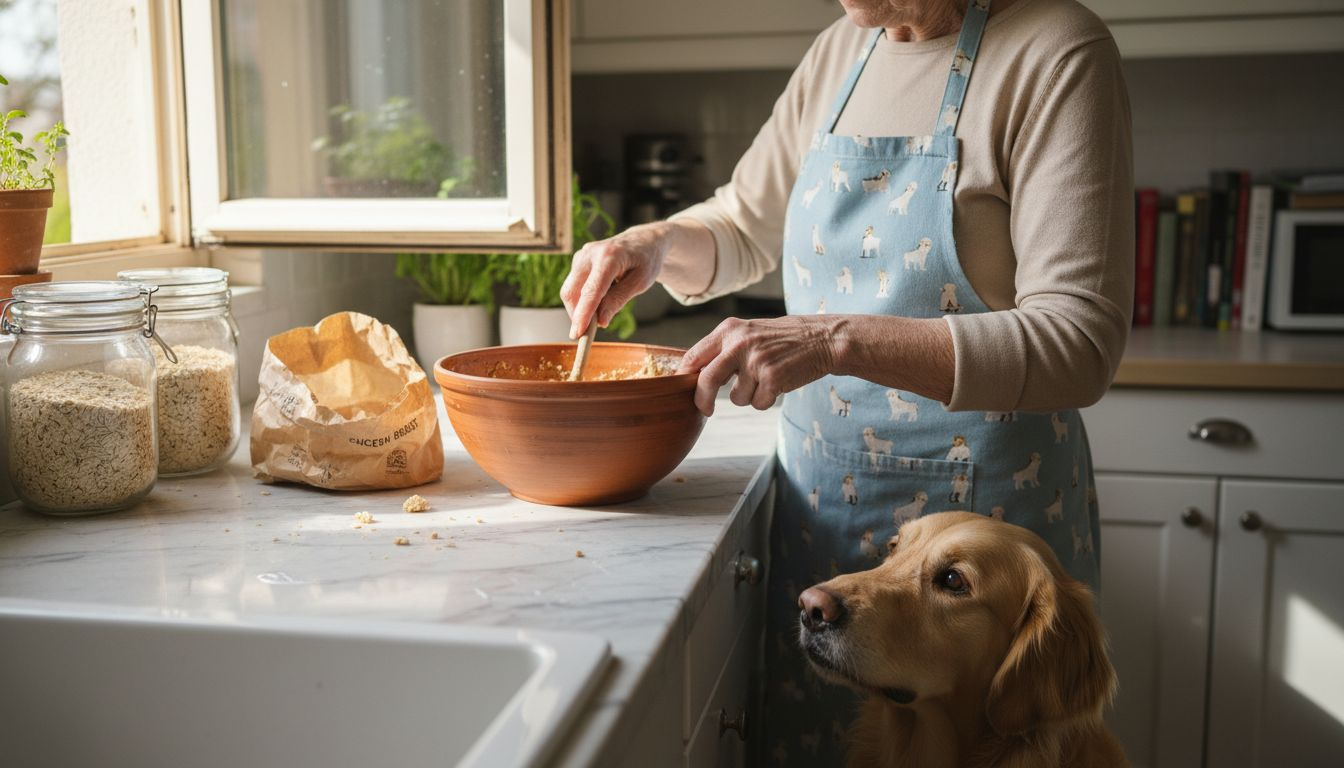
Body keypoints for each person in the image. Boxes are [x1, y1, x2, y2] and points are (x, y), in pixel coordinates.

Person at [561, 0, 1133, 761]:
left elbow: (1077, 340)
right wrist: (655, 244)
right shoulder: (845, 48)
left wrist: (832, 339)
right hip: (825, 512)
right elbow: (742, 223)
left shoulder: (1056, 51)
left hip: (980, 539)